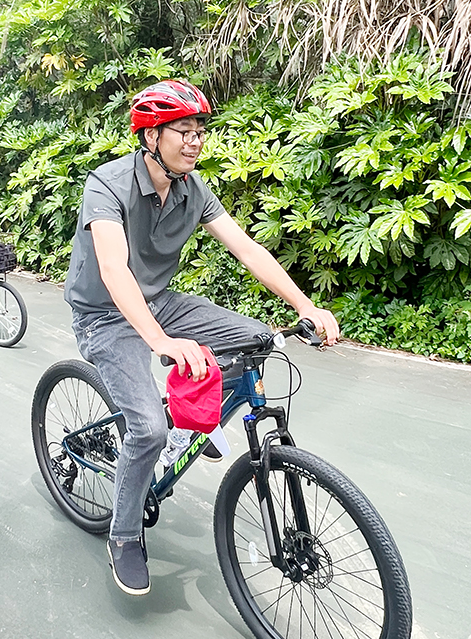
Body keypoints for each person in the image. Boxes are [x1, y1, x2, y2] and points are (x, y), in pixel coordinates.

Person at [63, 80, 340, 596]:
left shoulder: (193, 189)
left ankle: (191, 417)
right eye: (183, 131)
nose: (195, 141)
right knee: (146, 430)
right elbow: (114, 269)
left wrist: (305, 305)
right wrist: (161, 342)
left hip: (160, 301)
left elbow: (246, 248)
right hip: (104, 314)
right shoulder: (108, 184)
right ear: (151, 136)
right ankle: (123, 535)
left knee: (257, 340)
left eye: (199, 131)